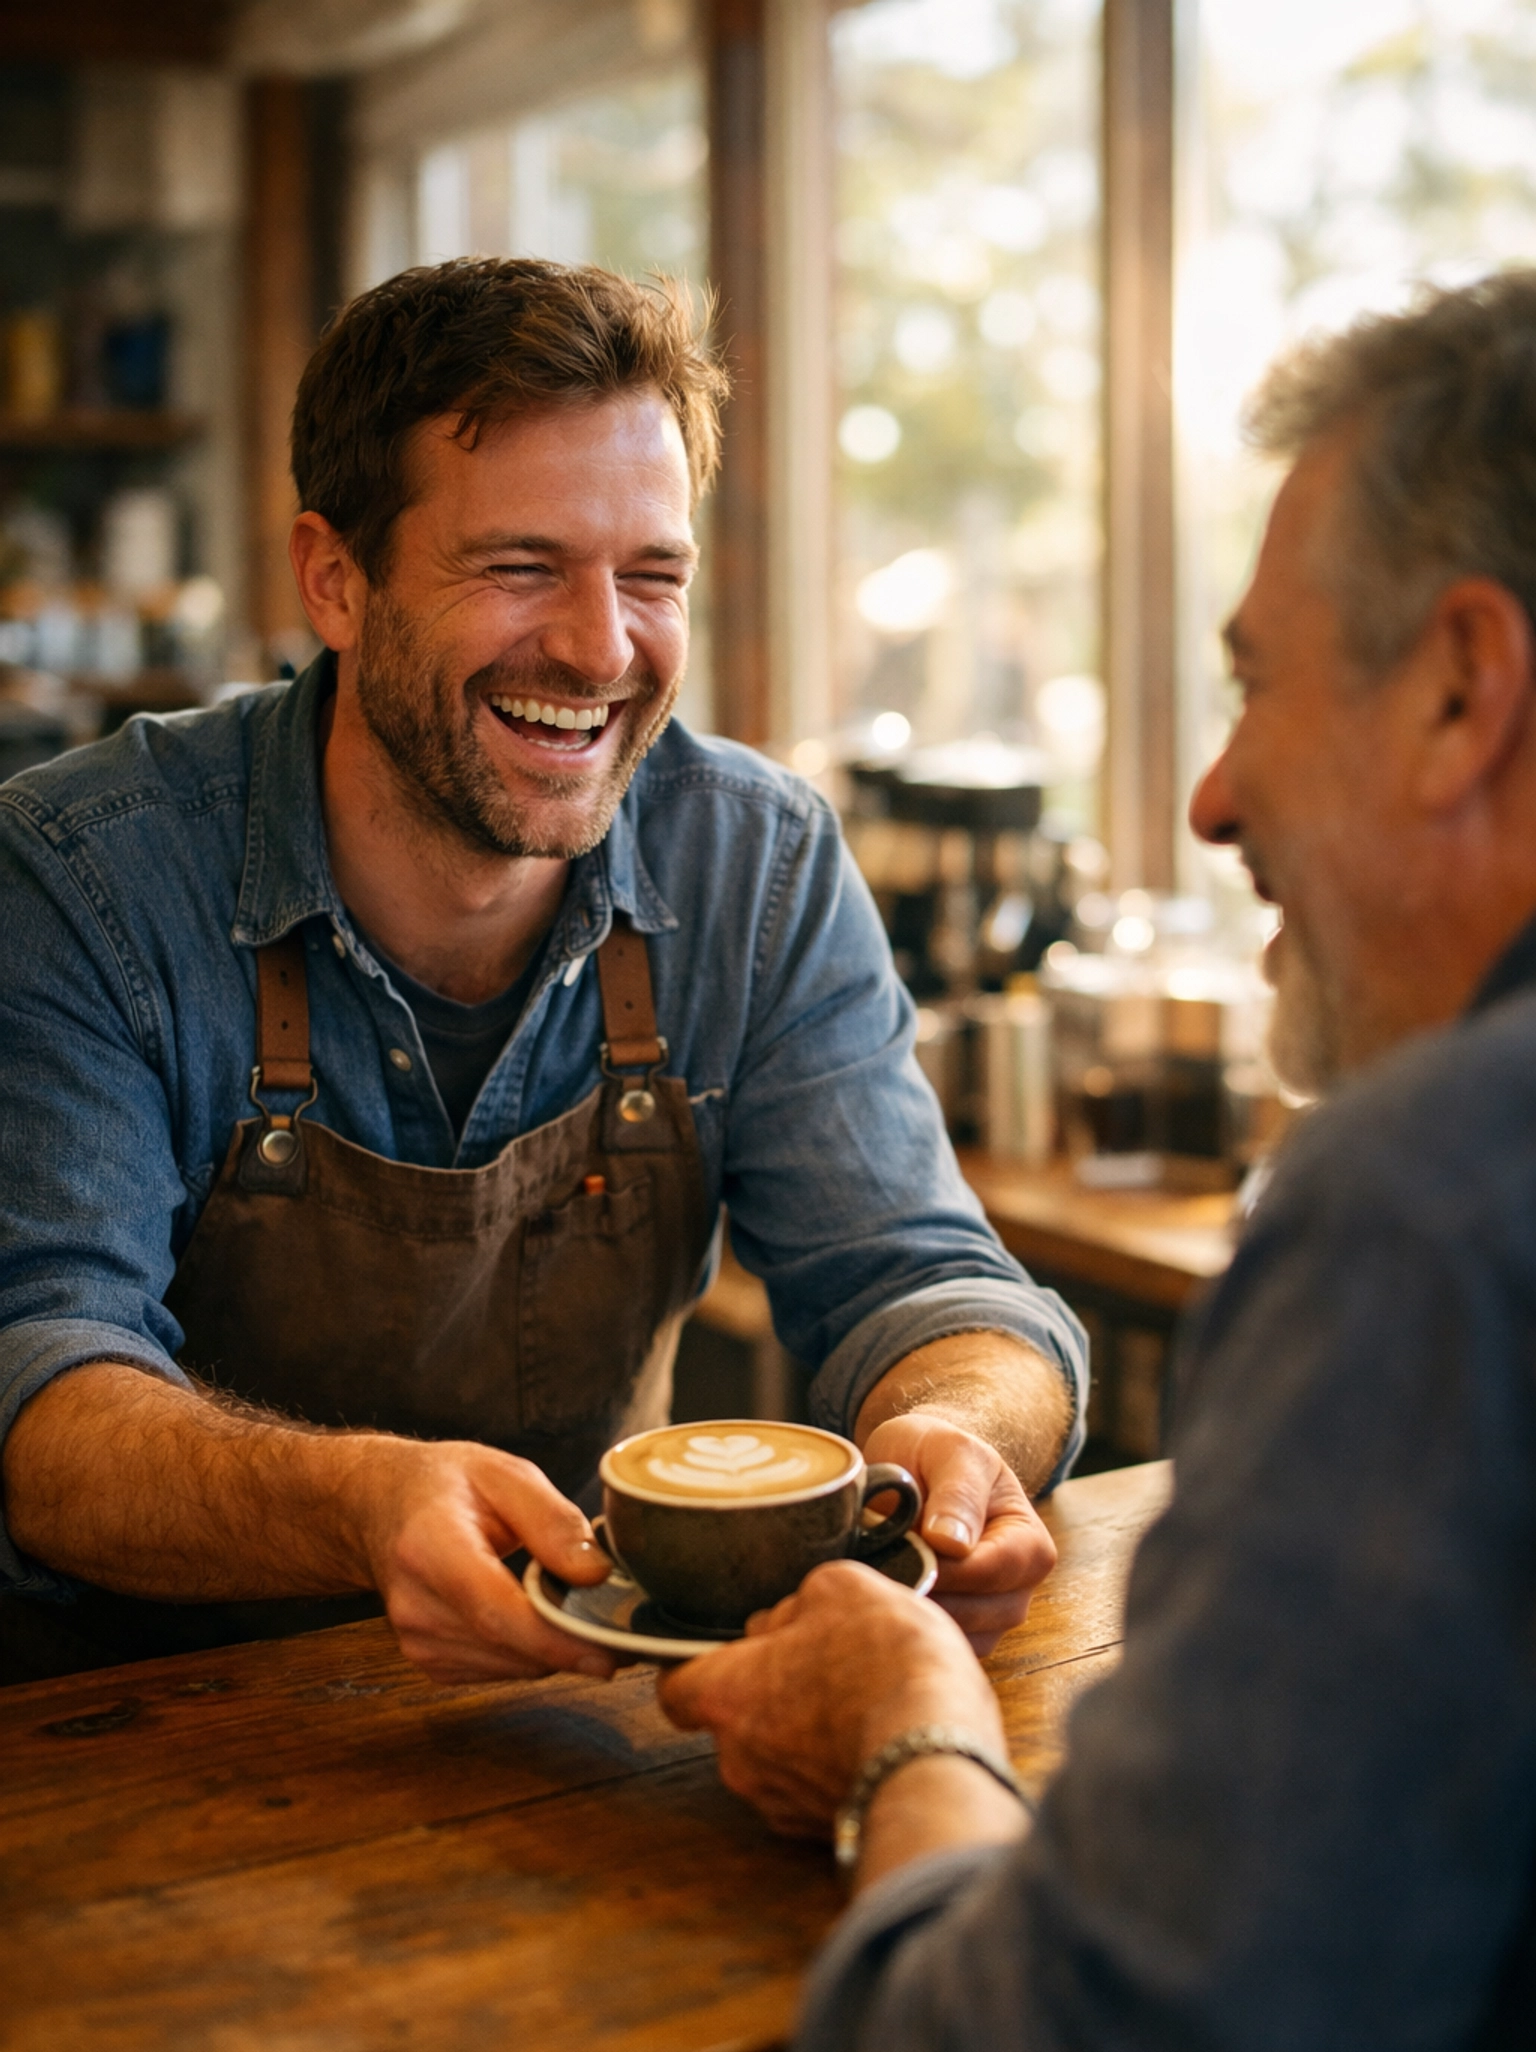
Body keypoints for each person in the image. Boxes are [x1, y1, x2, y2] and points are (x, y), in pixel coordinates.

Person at [661, 270, 1536, 2052]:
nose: (1215, 795)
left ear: (1462, 690)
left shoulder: (1434, 1210)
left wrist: (906, 1734)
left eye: (1256, 684)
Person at [0, 258, 1086, 1686]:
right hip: (137, 1734)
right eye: (520, 568)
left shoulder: (751, 866)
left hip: (585, 1723)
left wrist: (951, 1437)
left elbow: (929, 1282)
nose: (599, 647)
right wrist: (357, 1509)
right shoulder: (80, 875)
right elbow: (41, 1402)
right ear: (334, 578)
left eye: (652, 575)